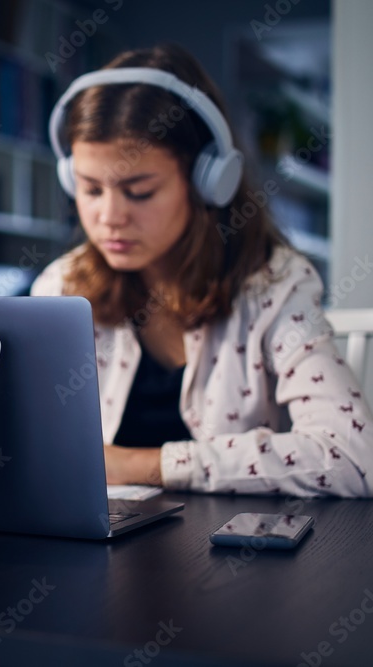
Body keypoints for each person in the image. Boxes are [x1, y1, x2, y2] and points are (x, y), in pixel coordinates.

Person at [31, 44, 372, 497]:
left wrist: (141, 464)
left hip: (226, 555)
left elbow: (353, 457)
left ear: (209, 182)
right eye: (91, 189)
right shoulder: (60, 287)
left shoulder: (276, 285)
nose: (110, 216)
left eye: (139, 191)